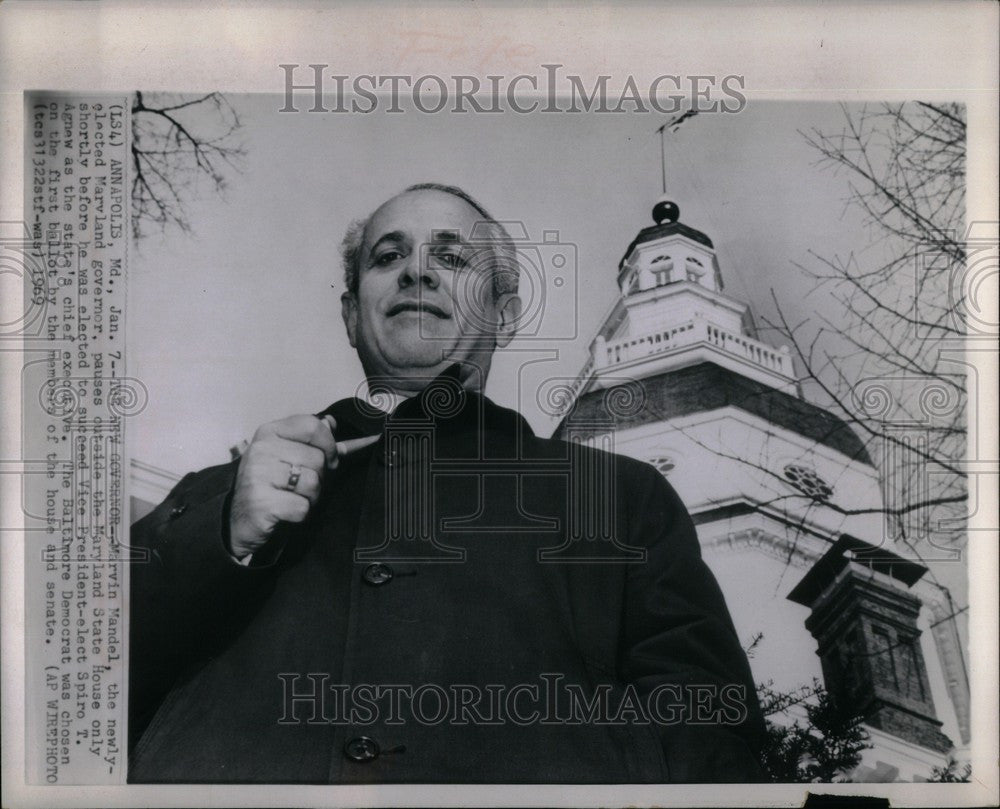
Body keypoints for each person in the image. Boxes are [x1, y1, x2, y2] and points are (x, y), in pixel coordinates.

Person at [128, 183, 767, 783]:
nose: (417, 271)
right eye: (388, 255)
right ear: (352, 315)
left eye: (453, 258)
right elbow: (76, 690)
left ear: (505, 315)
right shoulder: (218, 491)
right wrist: (222, 539)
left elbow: (708, 734)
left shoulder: (619, 497)